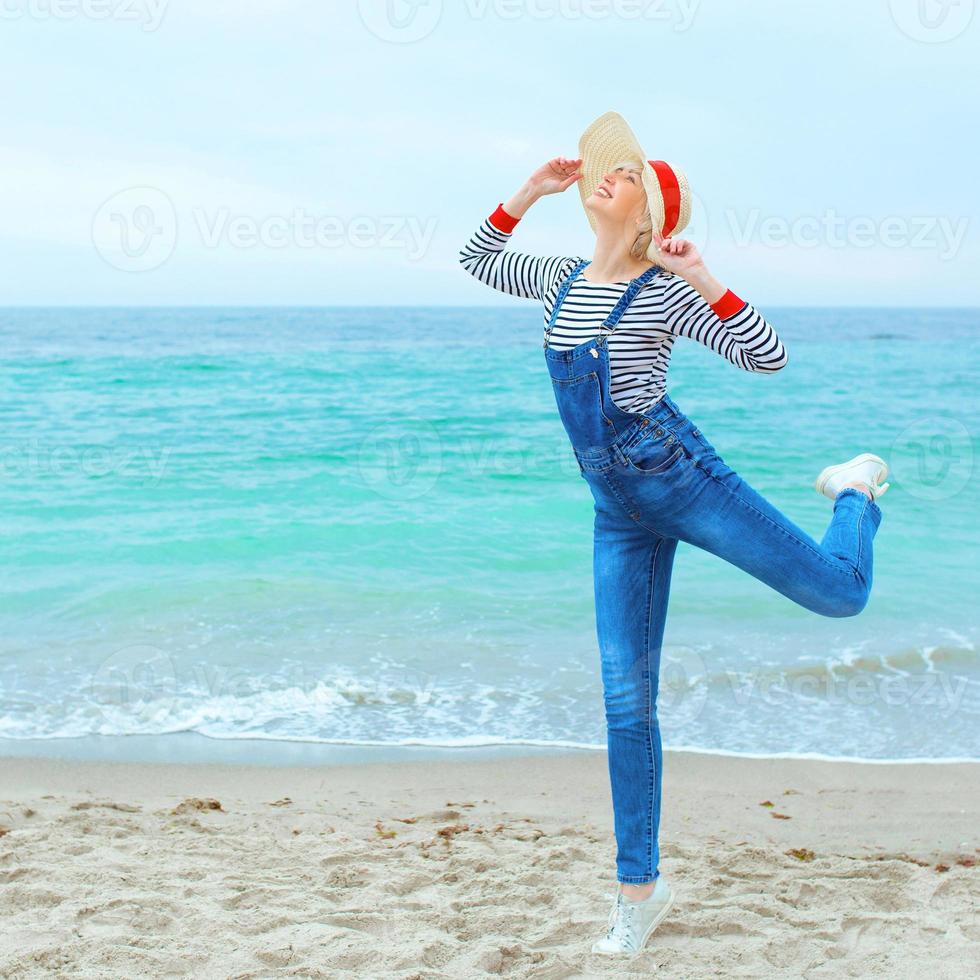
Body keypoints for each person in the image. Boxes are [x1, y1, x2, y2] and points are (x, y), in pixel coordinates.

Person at [458, 111, 888, 956]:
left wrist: (705, 276)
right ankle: (638, 893)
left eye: (627, 178)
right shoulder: (559, 277)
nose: (604, 178)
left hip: (684, 483)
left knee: (841, 594)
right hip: (615, 511)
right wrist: (529, 192)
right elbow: (477, 259)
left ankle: (855, 493)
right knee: (625, 703)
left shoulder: (661, 290)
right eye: (603, 174)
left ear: (649, 214)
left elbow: (766, 355)